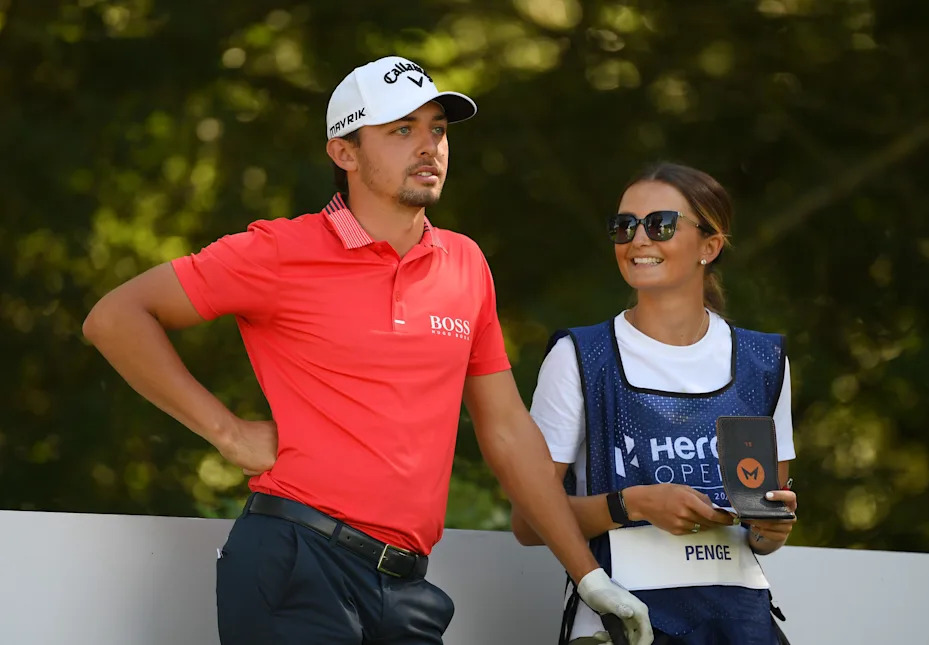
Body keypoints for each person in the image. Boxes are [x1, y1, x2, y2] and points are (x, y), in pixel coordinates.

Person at [82, 56, 653, 645]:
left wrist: (588, 576)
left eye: (437, 129)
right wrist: (227, 432)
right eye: (401, 129)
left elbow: (507, 430)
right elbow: (116, 318)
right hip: (297, 562)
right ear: (344, 152)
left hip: (407, 590)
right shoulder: (279, 250)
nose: (429, 146)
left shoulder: (465, 263)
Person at [511, 162, 798, 644]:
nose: (638, 239)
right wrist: (632, 504)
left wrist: (771, 531)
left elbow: (761, 529)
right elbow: (528, 521)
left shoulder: (763, 362)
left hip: (740, 627)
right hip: (622, 625)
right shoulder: (581, 356)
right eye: (624, 226)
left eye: (660, 224)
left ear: (710, 246)